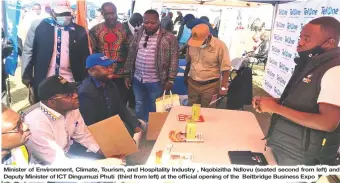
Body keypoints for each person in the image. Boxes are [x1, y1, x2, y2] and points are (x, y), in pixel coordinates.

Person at [253, 17, 340, 165]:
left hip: (302, 157)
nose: (300, 43)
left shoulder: (335, 70)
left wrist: (276, 108)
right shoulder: (311, 64)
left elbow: (327, 122)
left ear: (329, 43)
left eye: (307, 39)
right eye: (300, 37)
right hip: (287, 146)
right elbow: (305, 102)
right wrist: (274, 102)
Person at [24, 75, 122, 165]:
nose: (76, 95)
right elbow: (58, 164)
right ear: (52, 102)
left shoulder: (71, 109)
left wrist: (104, 150)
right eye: (68, 95)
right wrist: (104, 164)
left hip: (67, 151)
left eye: (74, 91)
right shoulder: (37, 124)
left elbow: (83, 134)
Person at [21, 3, 90, 104]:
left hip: (70, 78)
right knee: (46, 109)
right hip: (45, 78)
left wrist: (84, 80)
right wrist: (27, 78)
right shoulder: (38, 26)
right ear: (53, 14)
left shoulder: (79, 31)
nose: (64, 18)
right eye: (60, 15)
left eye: (67, 15)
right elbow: (28, 51)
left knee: (70, 107)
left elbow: (85, 56)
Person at [124, 9, 178, 122]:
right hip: (138, 78)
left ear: (159, 22)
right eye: (146, 22)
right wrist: (127, 75)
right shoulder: (137, 34)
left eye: (152, 23)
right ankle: (140, 127)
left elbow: (174, 59)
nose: (149, 25)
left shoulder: (169, 38)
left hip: (156, 80)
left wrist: (171, 80)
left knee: (155, 106)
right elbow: (131, 56)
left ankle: (153, 130)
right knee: (139, 104)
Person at [78, 53, 143, 138]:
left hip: (113, 126)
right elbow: (90, 124)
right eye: (105, 67)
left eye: (111, 66)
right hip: (99, 134)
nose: (111, 70)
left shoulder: (110, 84)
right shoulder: (85, 92)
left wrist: (135, 126)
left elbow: (121, 108)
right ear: (92, 71)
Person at [89, 2, 130, 106]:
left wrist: (128, 74)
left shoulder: (125, 29)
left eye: (113, 13)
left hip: (120, 74)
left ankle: (120, 122)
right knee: (103, 103)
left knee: (120, 102)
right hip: (102, 74)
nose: (111, 16)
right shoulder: (95, 30)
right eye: (108, 13)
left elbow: (131, 52)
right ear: (102, 14)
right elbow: (91, 52)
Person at [184, 24, 231, 108]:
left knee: (208, 112)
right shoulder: (191, 43)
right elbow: (189, 61)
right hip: (193, 84)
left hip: (210, 86)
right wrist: (186, 76)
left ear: (208, 36)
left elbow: (226, 69)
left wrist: (223, 88)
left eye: (201, 41)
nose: (198, 44)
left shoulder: (220, 46)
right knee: (192, 110)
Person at [123, 13, 143, 109]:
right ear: (138, 22)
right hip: (123, 63)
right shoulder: (122, 27)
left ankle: (132, 104)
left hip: (136, 64)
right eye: (141, 22)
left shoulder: (142, 30)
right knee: (123, 88)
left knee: (133, 86)